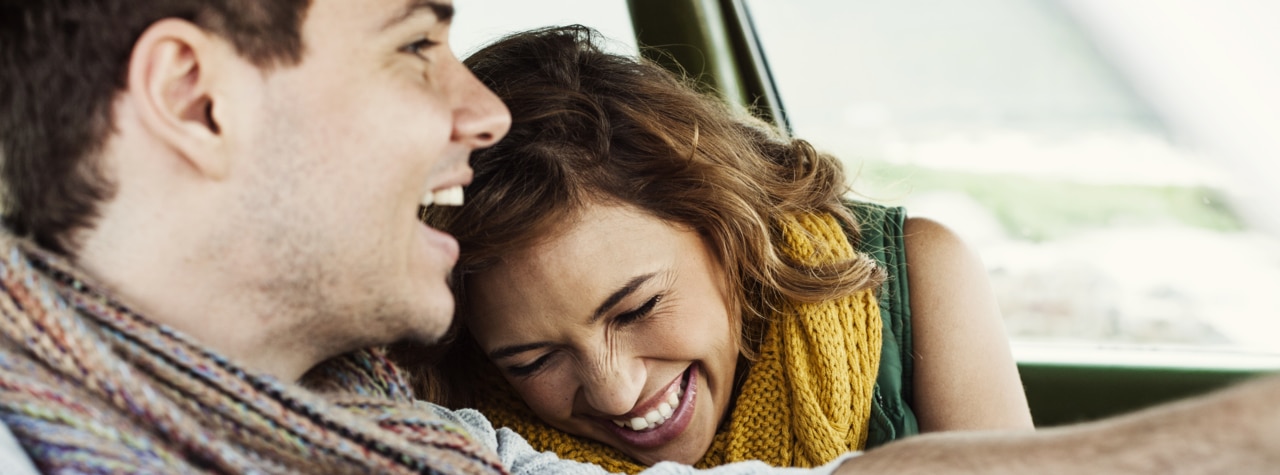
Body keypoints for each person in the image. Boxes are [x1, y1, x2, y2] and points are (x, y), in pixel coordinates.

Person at [0, 1, 1277, 474]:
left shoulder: (398, 428)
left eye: (629, 303)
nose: (474, 110)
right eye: (412, 47)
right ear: (196, 97)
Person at [407, 25, 1031, 473]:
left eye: (637, 309)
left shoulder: (920, 275)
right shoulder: (448, 426)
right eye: (534, 362)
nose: (616, 393)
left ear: (723, 224)